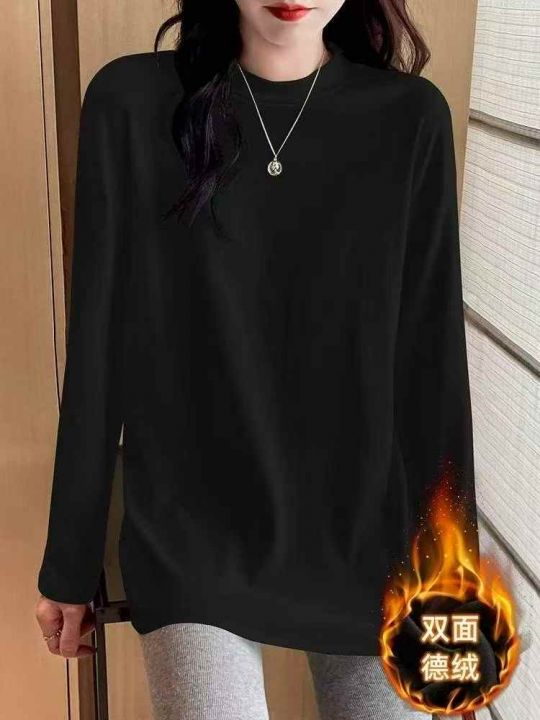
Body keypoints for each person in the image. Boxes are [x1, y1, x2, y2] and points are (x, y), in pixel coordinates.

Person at [35, 0, 479, 718]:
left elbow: (432, 371)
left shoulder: (409, 119)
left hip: (365, 540)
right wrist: (69, 562)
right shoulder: (130, 102)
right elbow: (97, 350)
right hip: (193, 536)